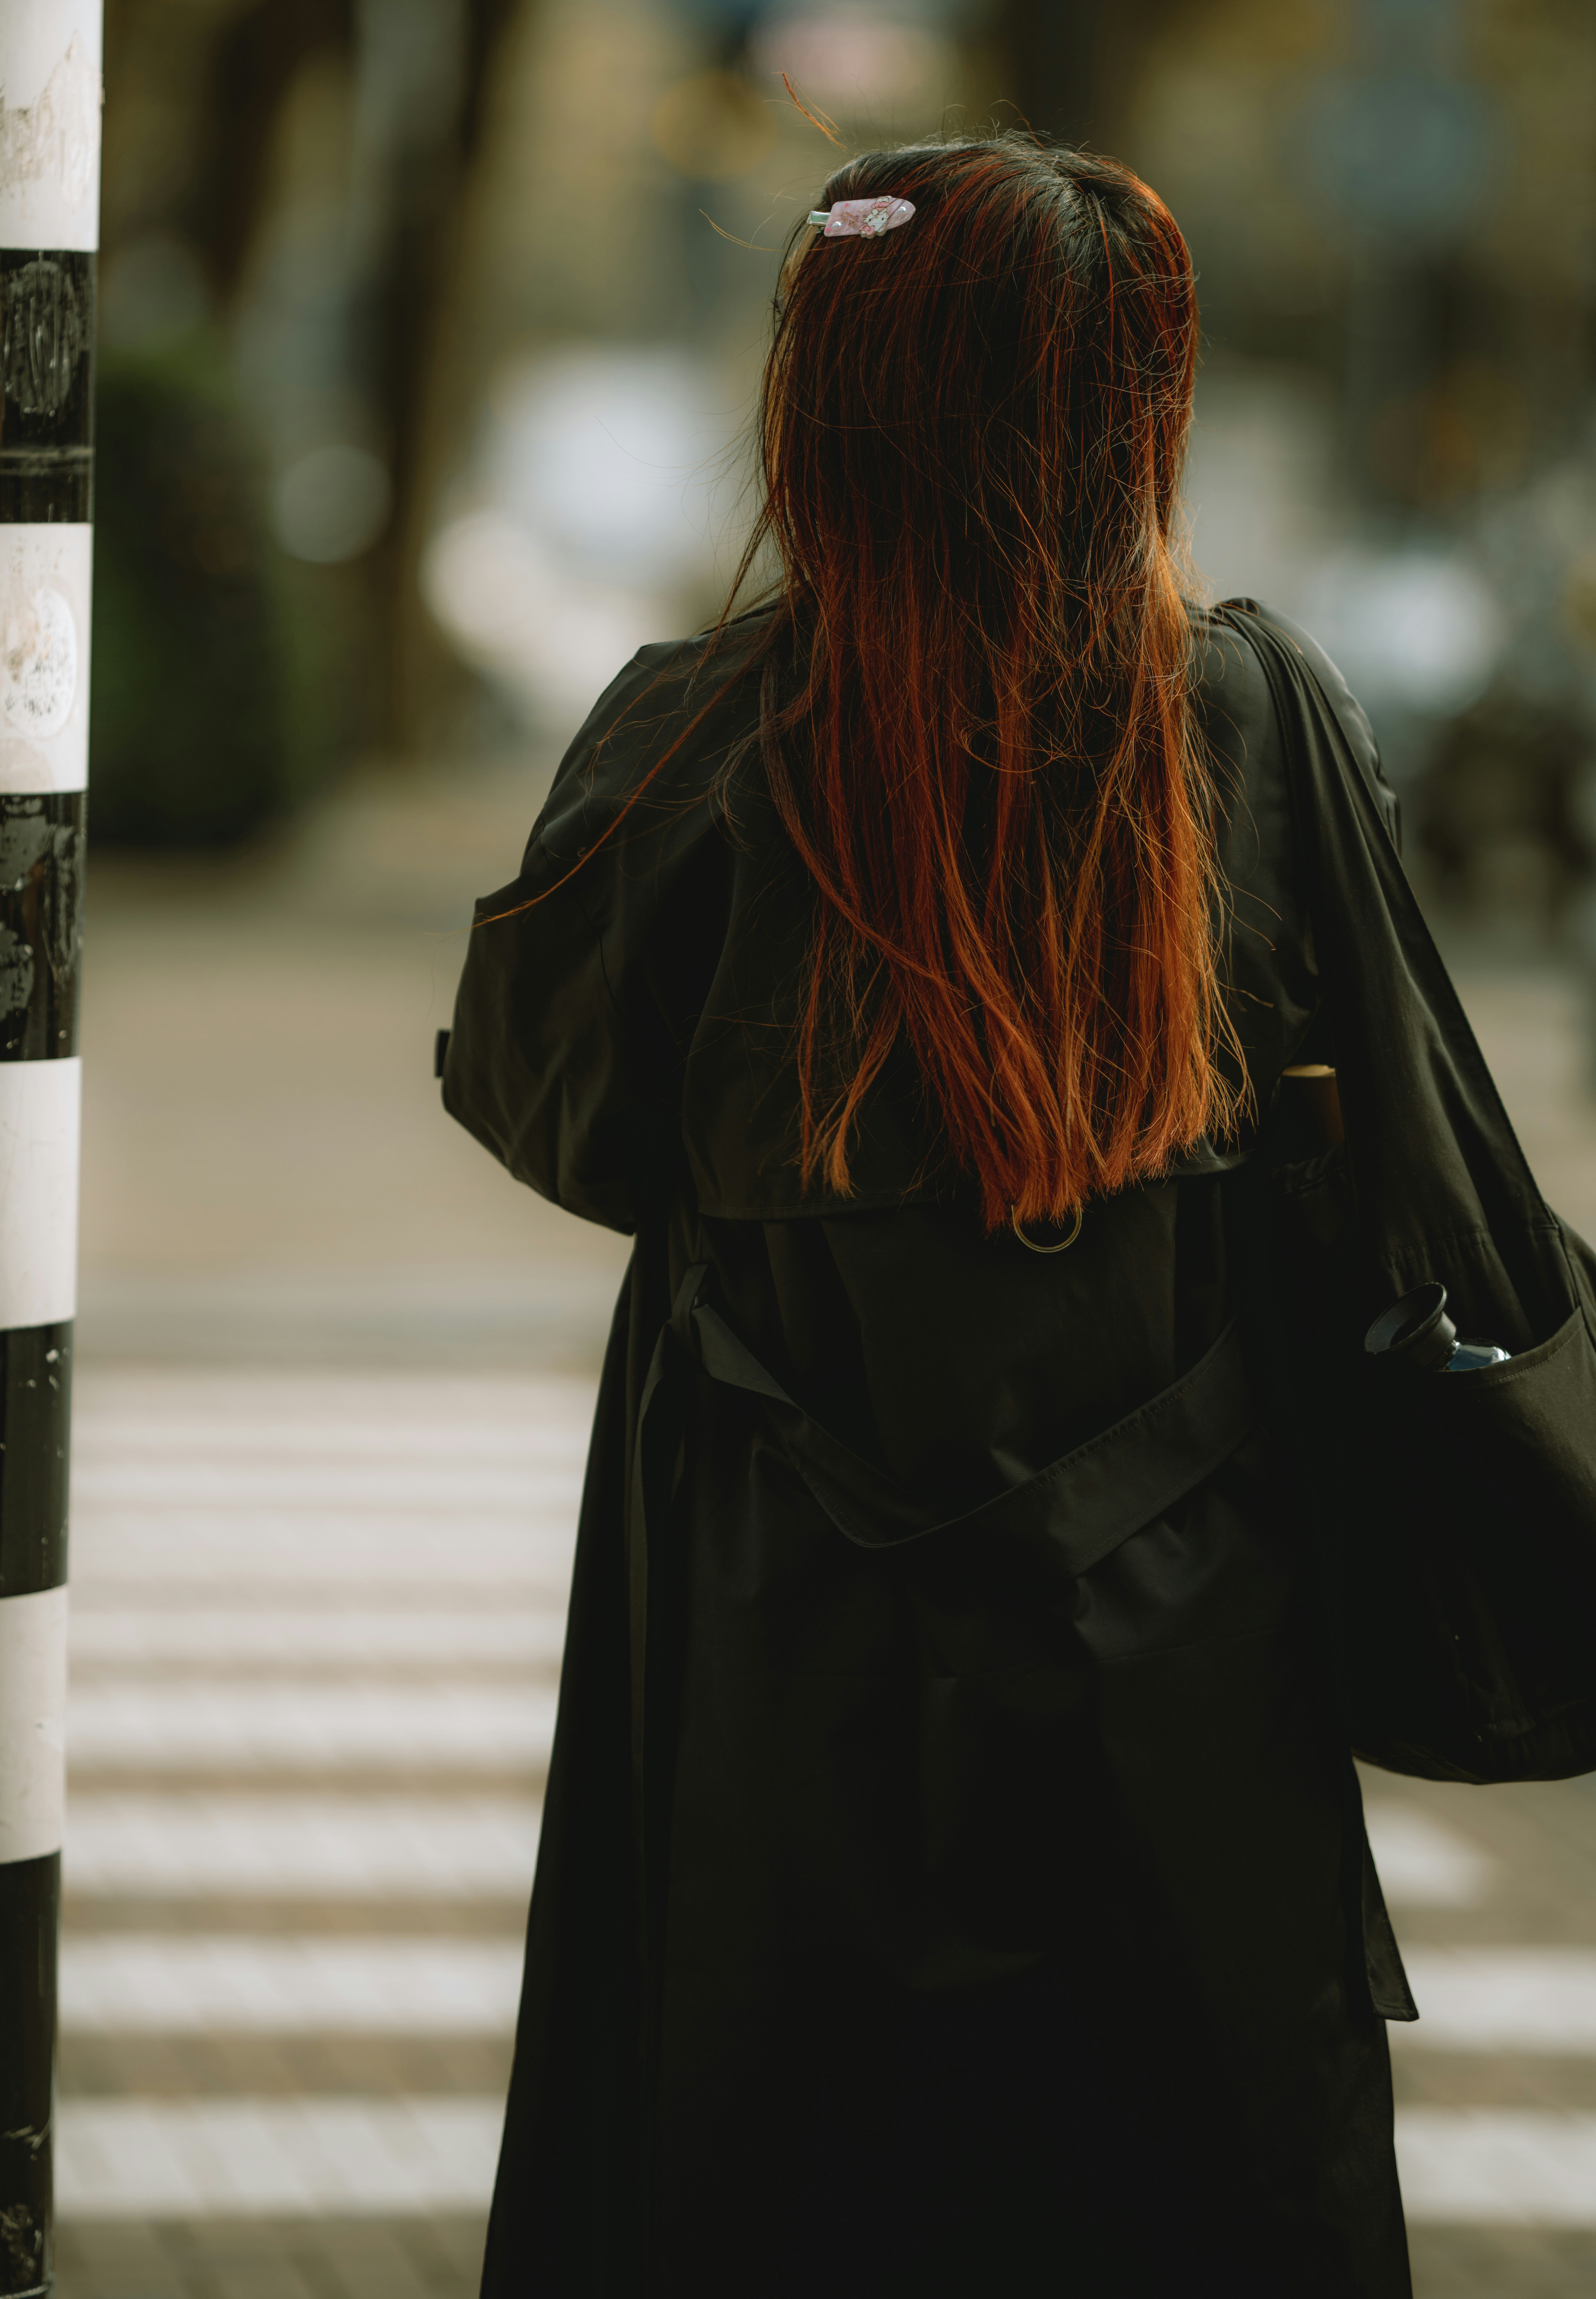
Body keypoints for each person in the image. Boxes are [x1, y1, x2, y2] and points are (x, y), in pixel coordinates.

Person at [440, 136, 1570, 2296]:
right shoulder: (1248, 718)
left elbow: (551, 1119)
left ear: (821, 401)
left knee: (770, 2187)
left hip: (780, 1651)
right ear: (1135, 402)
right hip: (1183, 1660)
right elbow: (1433, 1171)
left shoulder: (693, 744)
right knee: (1182, 2190)